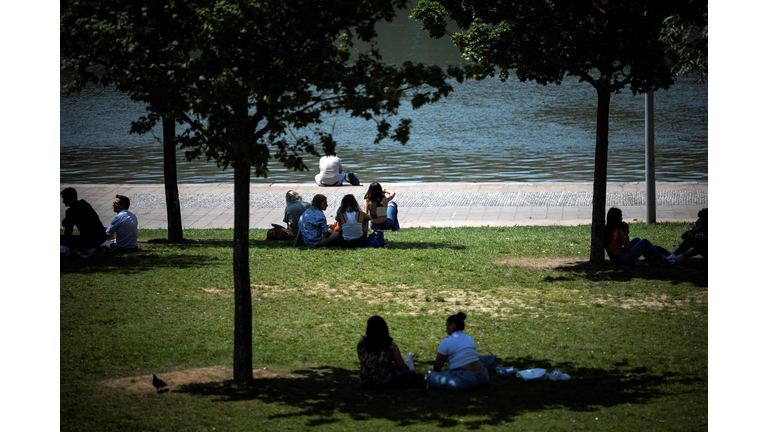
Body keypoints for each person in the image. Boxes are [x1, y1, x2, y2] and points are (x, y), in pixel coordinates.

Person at [426, 312, 490, 390]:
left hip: (466, 379)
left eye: (447, 326)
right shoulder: (469, 338)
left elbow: (438, 365)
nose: (446, 328)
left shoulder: (447, 342)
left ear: (452, 326)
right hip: (483, 377)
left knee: (431, 376)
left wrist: (434, 373)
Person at [357, 315, 414, 389]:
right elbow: (401, 366)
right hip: (384, 382)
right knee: (404, 370)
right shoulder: (390, 346)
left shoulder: (362, 343)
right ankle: (409, 365)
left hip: (366, 382)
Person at [604, 207, 672, 266]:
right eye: (620, 217)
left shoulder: (608, 229)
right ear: (616, 218)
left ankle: (650, 258)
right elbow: (627, 247)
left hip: (614, 259)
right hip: (623, 259)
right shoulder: (618, 231)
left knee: (637, 240)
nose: (622, 219)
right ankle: (661, 259)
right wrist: (626, 233)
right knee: (644, 242)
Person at [60, 187, 106, 258]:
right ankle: (89, 247)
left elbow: (68, 232)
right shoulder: (84, 203)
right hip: (102, 237)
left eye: (64, 198)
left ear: (69, 198)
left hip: (91, 239)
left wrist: (65, 224)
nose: (63, 201)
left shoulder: (71, 211)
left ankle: (88, 248)